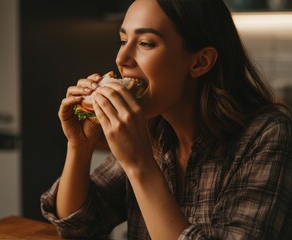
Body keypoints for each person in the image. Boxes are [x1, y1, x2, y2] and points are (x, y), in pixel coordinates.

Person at [40, 0, 292, 239]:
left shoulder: (268, 135)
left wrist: (141, 166)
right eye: (123, 40)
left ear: (200, 62)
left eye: (146, 43)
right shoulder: (152, 128)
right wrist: (80, 146)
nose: (121, 59)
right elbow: (76, 224)